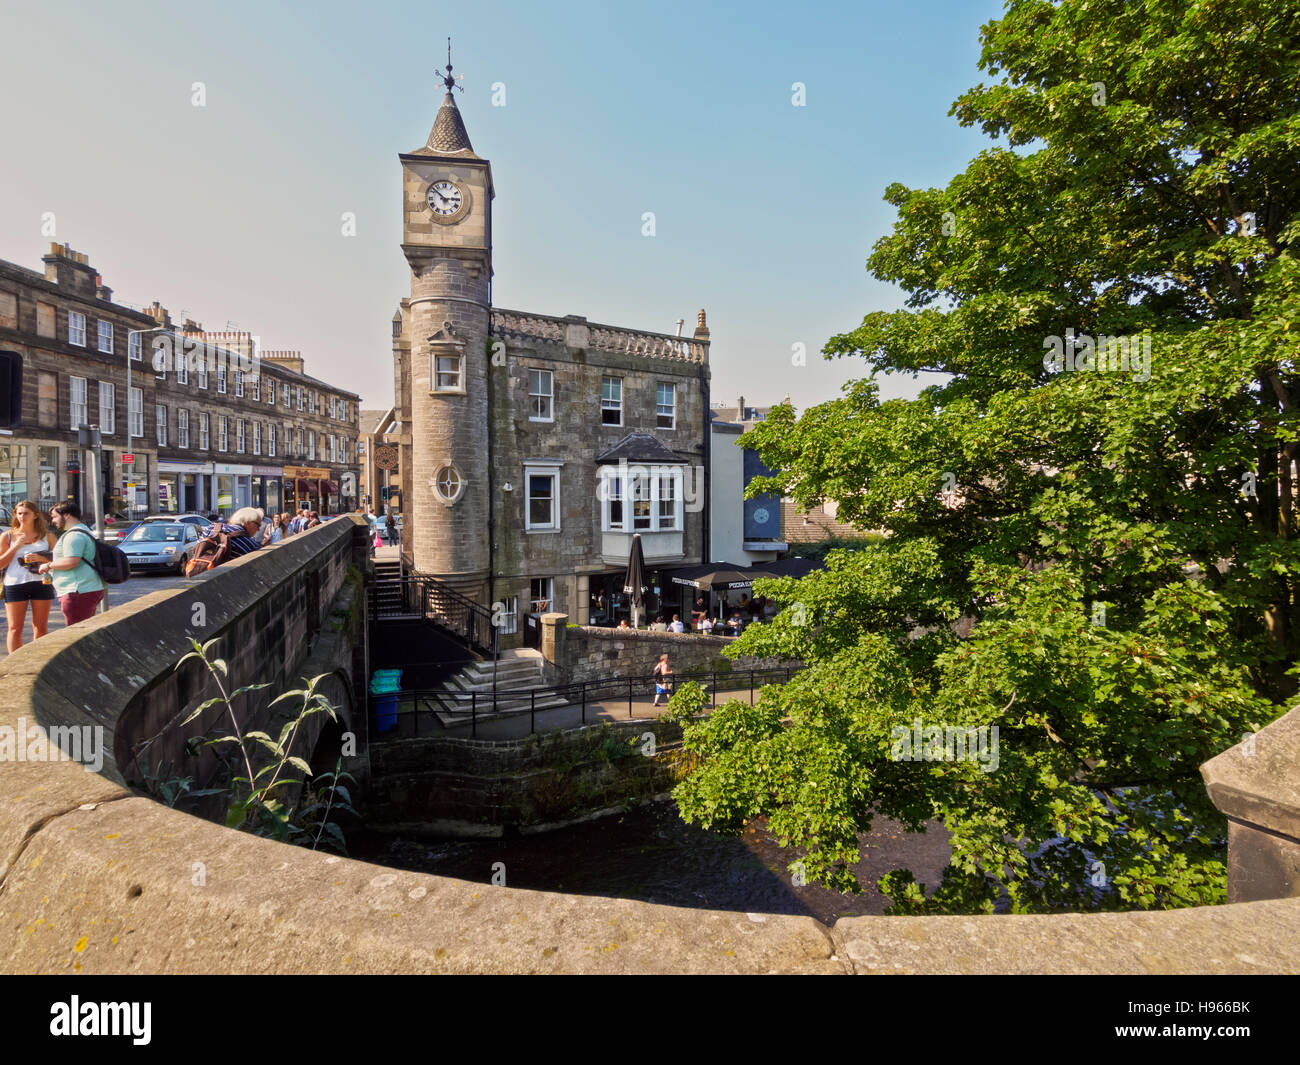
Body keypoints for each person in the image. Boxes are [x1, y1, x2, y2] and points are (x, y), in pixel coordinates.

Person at [0, 501, 58, 652]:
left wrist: (42, 559)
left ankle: (38, 662)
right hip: (15, 583)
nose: (22, 516)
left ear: (35, 515)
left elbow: (59, 559)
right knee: (14, 628)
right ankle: (15, 666)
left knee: (40, 628)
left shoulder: (48, 536)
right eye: (19, 513)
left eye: (26, 513)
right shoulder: (8, 536)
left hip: (42, 583)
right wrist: (16, 546)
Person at [37, 502, 105, 627]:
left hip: (77, 590)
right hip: (84, 588)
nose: (53, 521)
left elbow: (71, 561)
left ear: (67, 515)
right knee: (84, 629)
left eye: (54, 516)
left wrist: (48, 565)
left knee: (77, 631)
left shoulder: (73, 535)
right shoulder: (84, 530)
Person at [198, 506, 265, 561]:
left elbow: (196, 549)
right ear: (247, 523)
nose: (258, 529)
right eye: (258, 525)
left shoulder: (211, 528)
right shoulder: (251, 545)